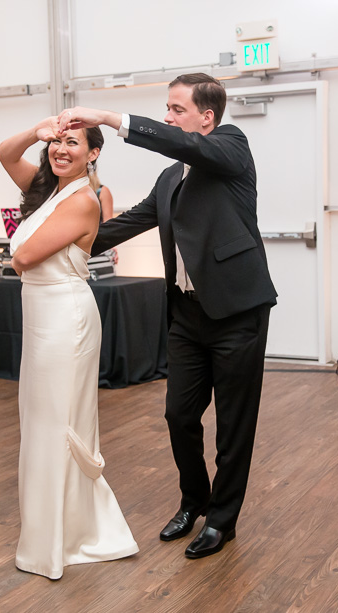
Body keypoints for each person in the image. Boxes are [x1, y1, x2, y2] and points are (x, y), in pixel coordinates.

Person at [56, 73, 278, 559]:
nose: (168, 117)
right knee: (179, 414)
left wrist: (112, 119)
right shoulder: (169, 176)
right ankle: (194, 501)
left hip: (237, 313)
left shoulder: (231, 147)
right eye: (167, 108)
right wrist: (61, 241)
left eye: (177, 109)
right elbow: (133, 221)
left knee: (234, 425)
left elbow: (183, 145)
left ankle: (223, 520)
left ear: (207, 117)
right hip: (187, 315)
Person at [0, 115, 138, 579]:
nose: (61, 149)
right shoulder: (50, 190)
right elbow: (4, 153)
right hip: (41, 316)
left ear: (93, 152)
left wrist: (21, 247)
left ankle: (68, 536)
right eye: (56, 143)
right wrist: (37, 130)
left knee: (58, 422)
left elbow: (22, 257)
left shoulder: (83, 201)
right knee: (38, 422)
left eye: (71, 142)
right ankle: (51, 530)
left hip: (65, 318)